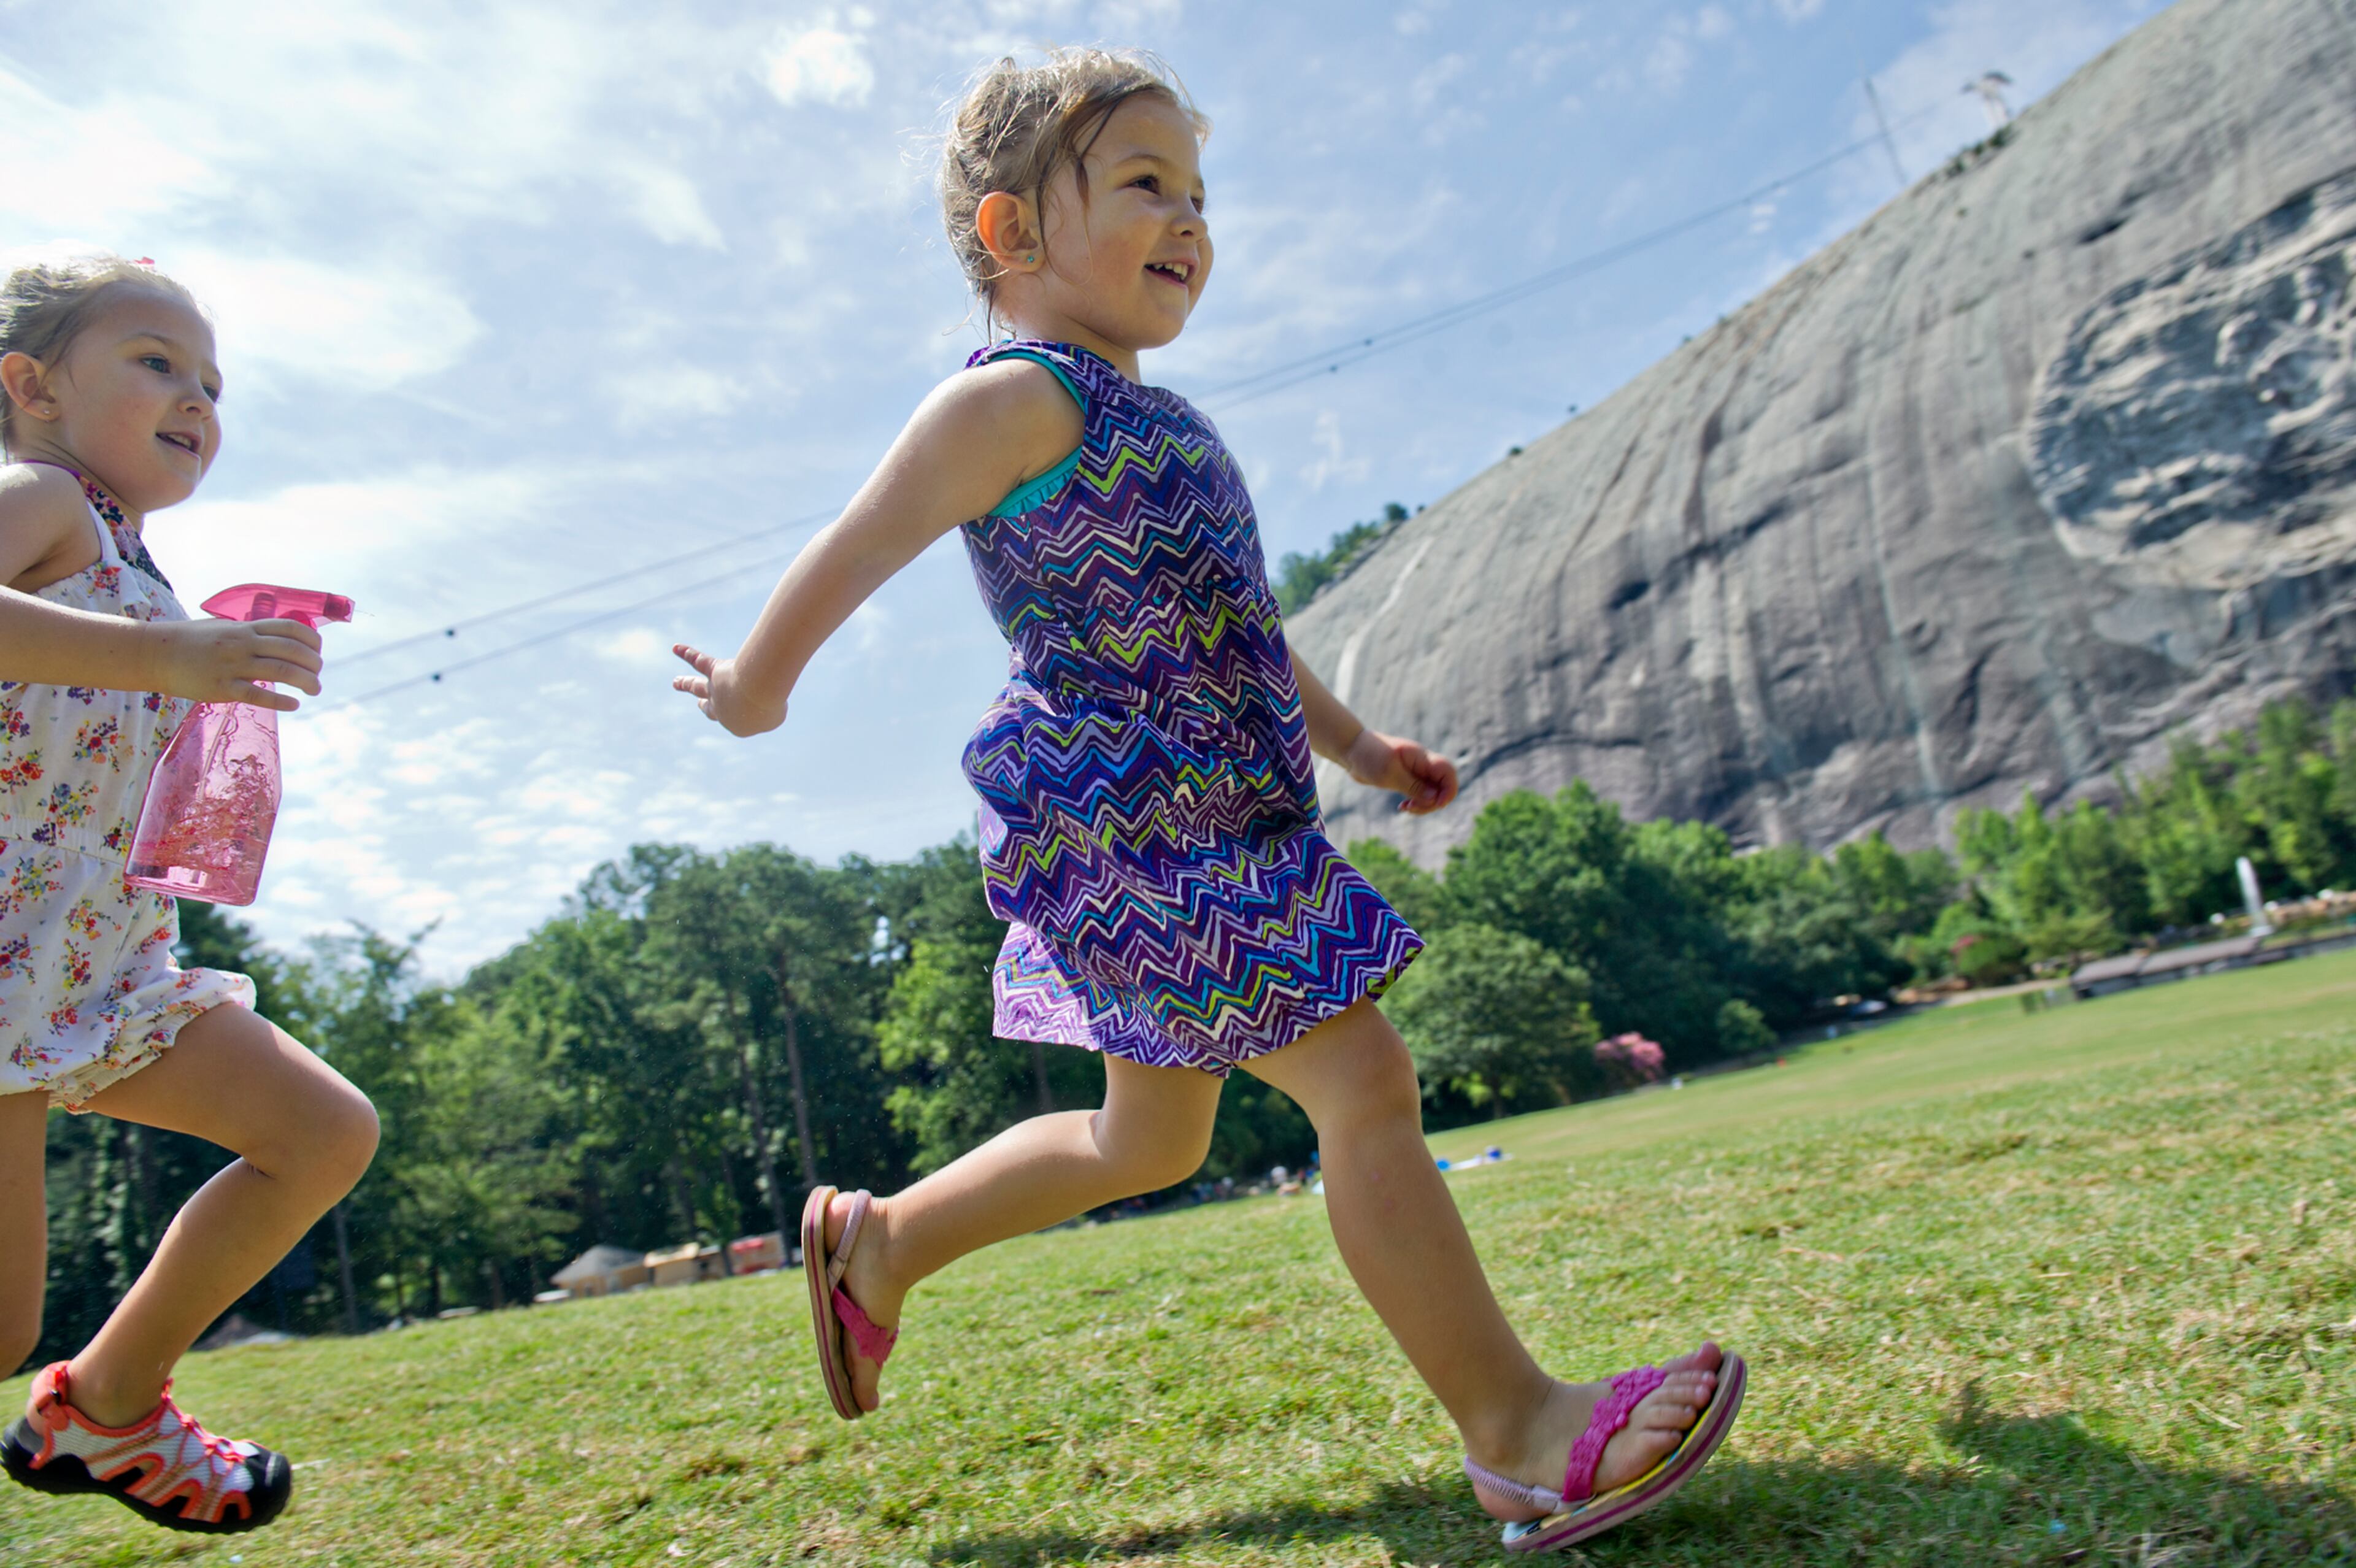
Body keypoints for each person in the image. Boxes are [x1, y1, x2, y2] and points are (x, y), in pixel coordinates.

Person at [671, 50, 1743, 1551]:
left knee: (1152, 1143)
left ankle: (882, 1243)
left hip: (1222, 821)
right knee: (1361, 1083)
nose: (1190, 220)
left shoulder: (1164, 420)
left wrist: (1361, 752)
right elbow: (861, 538)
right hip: (1132, 826)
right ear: (1011, 235)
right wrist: (757, 685)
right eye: (1143, 185)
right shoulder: (1015, 403)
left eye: (1197, 192)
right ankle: (1514, 1429)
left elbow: (1245, 629)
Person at [0, 256, 379, 1535]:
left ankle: (105, 1406)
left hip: (99, 972)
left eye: (212, 383)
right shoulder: (39, 496)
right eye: (157, 362)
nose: (198, 399)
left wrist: (207, 680)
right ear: (31, 385)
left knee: (322, 1134)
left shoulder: (132, 566)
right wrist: (174, 654)